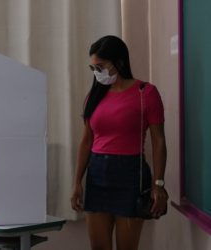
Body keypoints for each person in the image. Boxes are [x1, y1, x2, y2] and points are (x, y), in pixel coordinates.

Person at [70, 35, 168, 250]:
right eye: (93, 68)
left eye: (101, 66)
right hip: (97, 174)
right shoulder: (93, 96)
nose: (97, 73)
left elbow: (159, 140)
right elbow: (86, 141)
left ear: (119, 62)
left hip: (130, 175)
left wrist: (158, 184)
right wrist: (77, 182)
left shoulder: (146, 93)